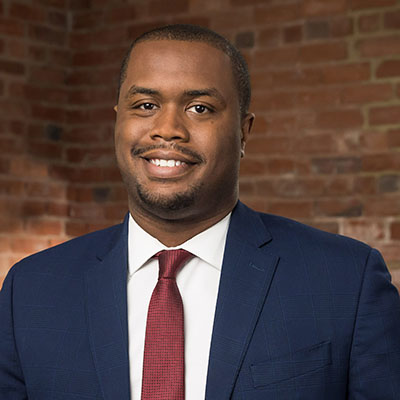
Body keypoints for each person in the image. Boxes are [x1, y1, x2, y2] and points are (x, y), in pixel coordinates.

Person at [0, 24, 399, 400]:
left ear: (244, 131)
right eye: (145, 104)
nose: (168, 128)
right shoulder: (31, 291)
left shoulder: (346, 281)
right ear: (118, 121)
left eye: (200, 108)